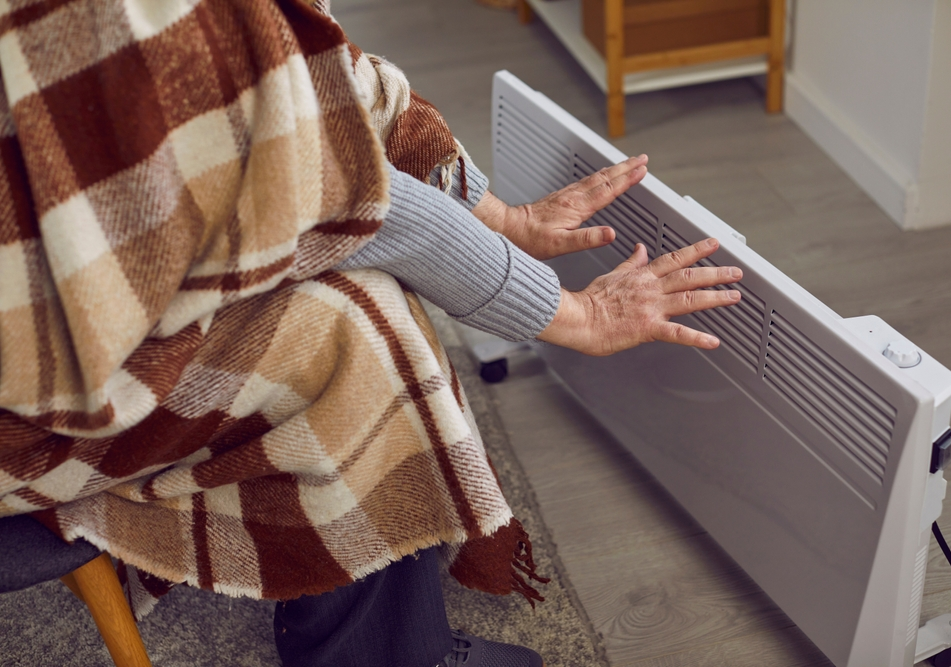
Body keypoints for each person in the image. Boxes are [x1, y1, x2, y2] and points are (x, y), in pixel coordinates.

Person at [0, 2, 740, 666]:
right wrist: (574, 315)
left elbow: (332, 83)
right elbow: (343, 206)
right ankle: (380, 655)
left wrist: (499, 218)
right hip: (22, 413)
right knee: (359, 324)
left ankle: (343, 614)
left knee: (348, 294)